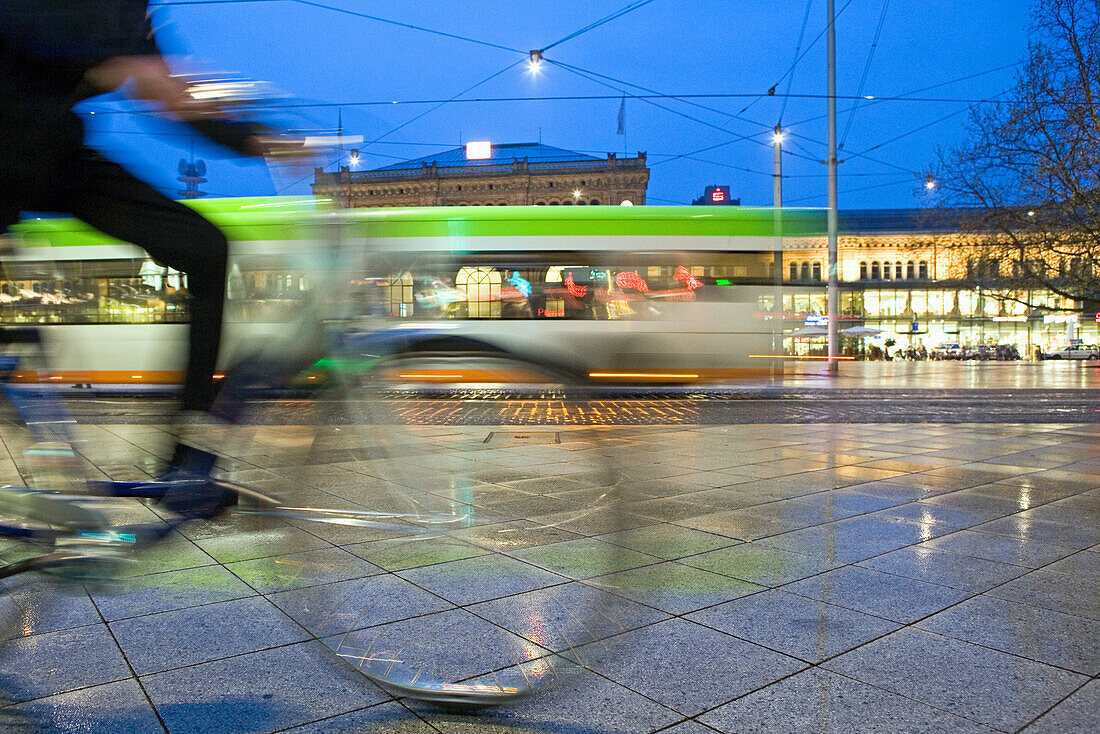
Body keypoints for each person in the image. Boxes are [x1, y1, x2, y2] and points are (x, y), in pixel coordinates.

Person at [0, 1, 293, 516]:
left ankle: (185, 465)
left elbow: (171, 94)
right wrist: (104, 59)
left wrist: (257, 138)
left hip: (48, 152)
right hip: (16, 146)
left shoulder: (133, 12)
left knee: (206, 247)